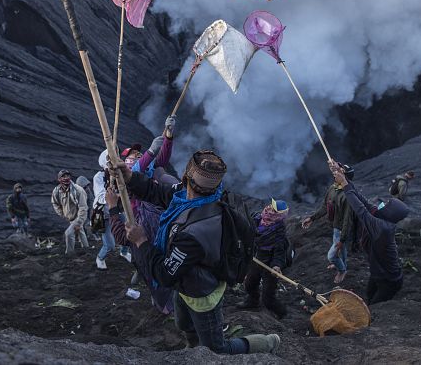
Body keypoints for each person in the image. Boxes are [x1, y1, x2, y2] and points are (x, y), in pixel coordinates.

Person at [118, 150, 281, 355]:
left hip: (202, 293)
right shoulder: (199, 195)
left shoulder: (196, 232)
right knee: (184, 323)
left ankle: (267, 343)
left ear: (187, 175)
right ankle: (192, 348)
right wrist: (130, 177)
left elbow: (164, 274)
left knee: (216, 348)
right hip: (186, 282)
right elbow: (160, 193)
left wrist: (141, 241)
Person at [337, 162, 408, 305]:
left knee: (374, 306)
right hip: (377, 273)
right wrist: (344, 178)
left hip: (390, 280)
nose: (383, 204)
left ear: (391, 212)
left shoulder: (382, 227)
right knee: (369, 296)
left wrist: (344, 184)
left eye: (387, 204)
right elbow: (364, 201)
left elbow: (361, 209)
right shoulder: (382, 217)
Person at [106, 186, 174, 314]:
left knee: (161, 287)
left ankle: (167, 309)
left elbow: (123, 238)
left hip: (154, 261)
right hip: (150, 260)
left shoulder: (147, 212)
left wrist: (112, 207)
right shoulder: (148, 203)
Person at [301, 164, 355, 284]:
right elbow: (325, 206)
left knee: (332, 256)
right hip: (335, 227)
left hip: (342, 229)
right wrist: (312, 218)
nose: (335, 173)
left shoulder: (348, 196)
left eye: (339, 172)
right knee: (342, 249)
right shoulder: (333, 188)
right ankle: (342, 263)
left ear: (345, 178)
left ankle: (342, 270)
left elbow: (348, 219)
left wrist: (343, 238)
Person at [239, 199, 289, 318]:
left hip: (269, 264)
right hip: (256, 258)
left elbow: (279, 252)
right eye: (271, 206)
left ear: (279, 215)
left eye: (273, 209)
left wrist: (276, 266)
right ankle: (252, 301)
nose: (269, 210)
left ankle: (282, 313)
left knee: (268, 298)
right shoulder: (257, 218)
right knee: (250, 284)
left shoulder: (279, 231)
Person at [51, 169, 89, 255]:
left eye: (67, 176)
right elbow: (55, 203)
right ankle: (87, 249)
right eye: (63, 176)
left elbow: (83, 207)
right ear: (59, 179)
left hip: (78, 216)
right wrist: (62, 213)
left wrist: (79, 222)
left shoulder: (78, 190)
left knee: (68, 233)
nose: (66, 178)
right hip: (70, 217)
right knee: (81, 232)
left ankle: (69, 254)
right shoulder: (57, 191)